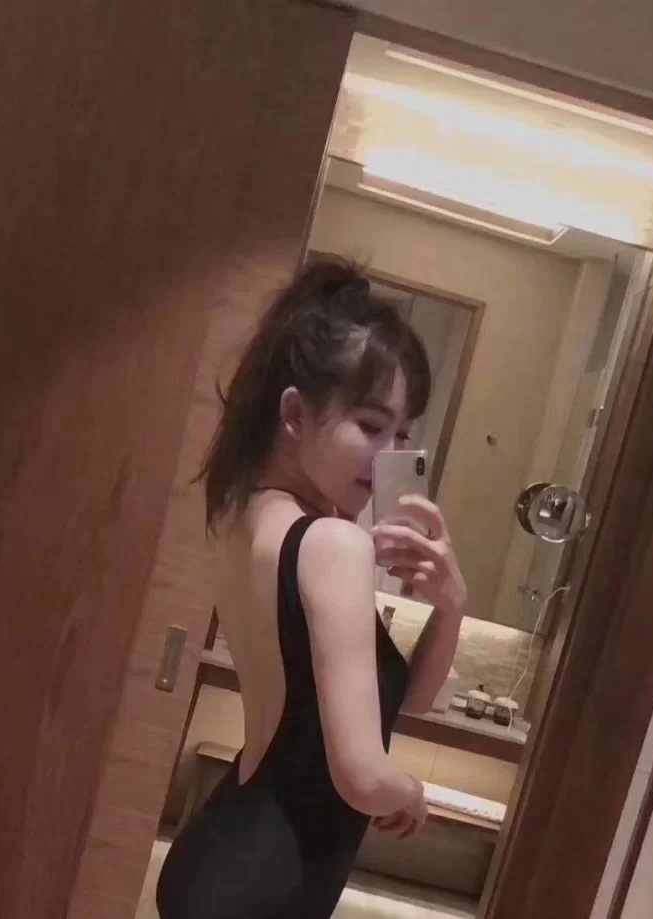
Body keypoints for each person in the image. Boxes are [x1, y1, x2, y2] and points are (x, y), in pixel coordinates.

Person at [156, 259, 467, 919]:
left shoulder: (245, 515)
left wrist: (450, 608)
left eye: (402, 435)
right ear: (295, 413)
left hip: (223, 853)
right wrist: (410, 793)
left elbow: (400, 704)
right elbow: (362, 775)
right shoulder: (334, 545)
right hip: (266, 885)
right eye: (370, 425)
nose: (388, 454)